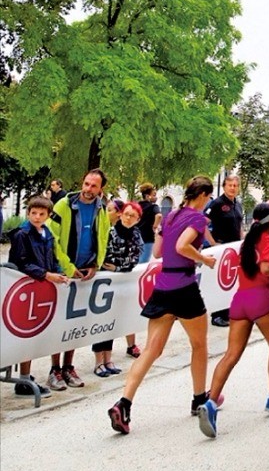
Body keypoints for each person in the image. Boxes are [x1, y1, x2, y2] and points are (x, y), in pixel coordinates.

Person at [108, 176, 218, 435]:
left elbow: (157, 253)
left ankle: (124, 403)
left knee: (151, 350)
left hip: (163, 286)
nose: (208, 202)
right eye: (208, 197)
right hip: (184, 286)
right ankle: (199, 398)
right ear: (202, 195)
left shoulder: (170, 217)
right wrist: (203, 258)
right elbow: (182, 246)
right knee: (200, 345)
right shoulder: (197, 218)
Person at [198, 203, 269, 438]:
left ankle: (211, 401)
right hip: (261, 298)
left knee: (231, 355)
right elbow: (267, 268)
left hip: (240, 300)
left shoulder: (246, 242)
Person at [47, 168, 111, 390]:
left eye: (93, 186)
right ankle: (54, 369)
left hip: (85, 272)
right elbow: (51, 238)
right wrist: (68, 266)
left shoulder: (101, 208)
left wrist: (96, 264)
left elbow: (102, 237)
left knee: (75, 323)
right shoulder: (64, 205)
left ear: (101, 188)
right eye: (86, 184)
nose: (88, 189)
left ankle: (68, 366)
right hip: (63, 272)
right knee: (59, 323)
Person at [8, 196, 70, 398]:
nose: (37, 217)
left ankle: (26, 377)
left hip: (42, 288)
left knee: (36, 334)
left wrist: (59, 273)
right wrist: (45, 274)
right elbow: (21, 262)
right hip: (27, 289)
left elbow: (51, 257)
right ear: (28, 213)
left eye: (41, 214)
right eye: (33, 213)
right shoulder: (22, 234)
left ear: (48, 216)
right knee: (26, 333)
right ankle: (23, 379)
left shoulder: (47, 233)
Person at [93, 202, 144, 377]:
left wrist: (119, 268)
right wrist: (118, 267)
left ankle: (108, 358)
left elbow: (135, 259)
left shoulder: (136, 234)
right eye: (127, 214)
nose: (129, 218)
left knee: (114, 322)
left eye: (133, 216)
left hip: (122, 284)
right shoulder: (109, 232)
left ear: (138, 219)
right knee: (101, 322)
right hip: (106, 284)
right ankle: (98, 361)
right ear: (121, 214)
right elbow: (107, 257)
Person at [205, 175, 244, 327]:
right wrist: (213, 243)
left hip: (234, 248)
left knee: (231, 282)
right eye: (230, 185)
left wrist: (242, 241)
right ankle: (217, 315)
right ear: (224, 186)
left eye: (235, 185)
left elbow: (239, 225)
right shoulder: (216, 203)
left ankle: (228, 311)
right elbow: (203, 224)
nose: (232, 188)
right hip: (221, 248)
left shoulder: (238, 204)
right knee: (219, 283)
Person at [137, 183, 162, 263]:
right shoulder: (153, 206)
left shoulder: (137, 205)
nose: (156, 197)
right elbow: (159, 216)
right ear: (148, 196)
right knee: (143, 262)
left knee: (135, 261)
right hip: (148, 237)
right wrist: (155, 226)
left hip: (136, 236)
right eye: (154, 195)